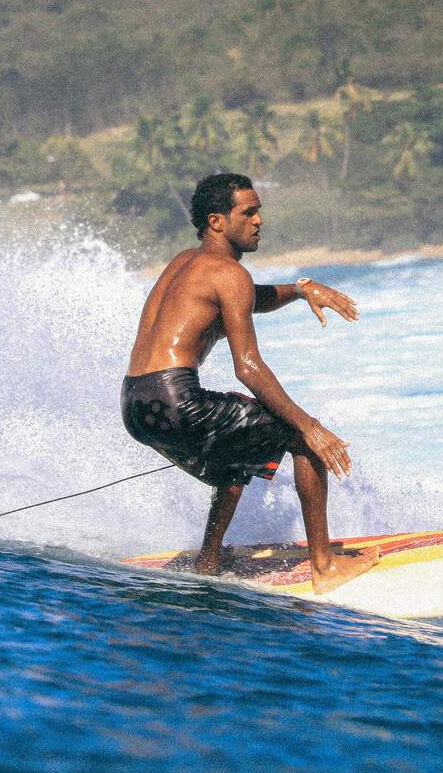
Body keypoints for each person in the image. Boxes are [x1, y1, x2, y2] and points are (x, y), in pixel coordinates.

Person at [122, 172, 380, 593]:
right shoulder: (227, 273)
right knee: (299, 436)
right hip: (176, 397)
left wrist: (299, 290)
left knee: (238, 451)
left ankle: (208, 561)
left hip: (136, 403)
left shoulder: (184, 264)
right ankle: (324, 567)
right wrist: (309, 426)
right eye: (250, 211)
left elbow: (253, 298)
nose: (259, 220)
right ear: (218, 221)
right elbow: (248, 366)